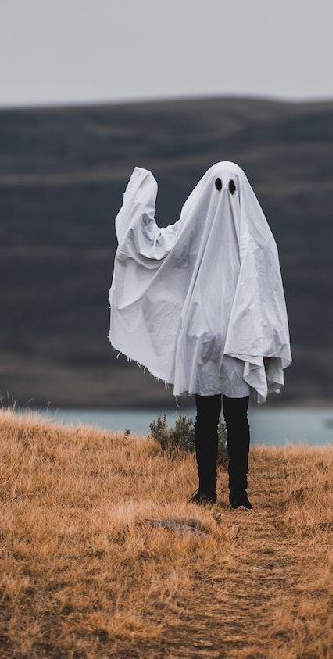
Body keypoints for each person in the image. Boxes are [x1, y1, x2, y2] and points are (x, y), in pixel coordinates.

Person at [108, 161, 291, 510]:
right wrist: (142, 202)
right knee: (212, 417)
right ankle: (210, 491)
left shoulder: (255, 242)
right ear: (209, 191)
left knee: (233, 418)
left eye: (231, 188)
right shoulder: (201, 234)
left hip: (235, 341)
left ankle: (237, 493)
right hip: (208, 338)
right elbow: (154, 248)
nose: (224, 195)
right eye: (219, 187)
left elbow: (269, 292)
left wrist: (264, 342)